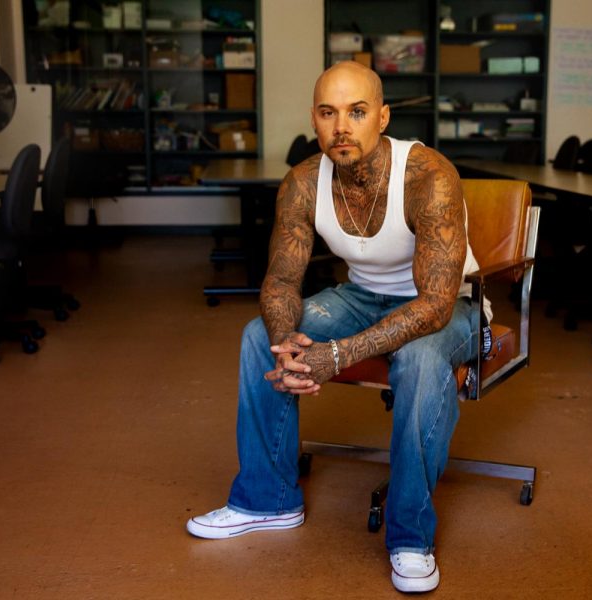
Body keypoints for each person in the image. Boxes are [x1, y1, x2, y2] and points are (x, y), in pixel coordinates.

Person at [187, 61, 485, 594]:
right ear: (315, 120)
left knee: (419, 356)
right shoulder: (303, 181)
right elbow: (280, 281)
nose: (341, 126)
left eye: (357, 111)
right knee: (259, 335)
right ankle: (267, 500)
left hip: (451, 305)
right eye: (328, 113)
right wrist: (285, 342)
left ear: (383, 117)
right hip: (362, 297)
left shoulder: (428, 175)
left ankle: (410, 537)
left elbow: (436, 306)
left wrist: (339, 355)